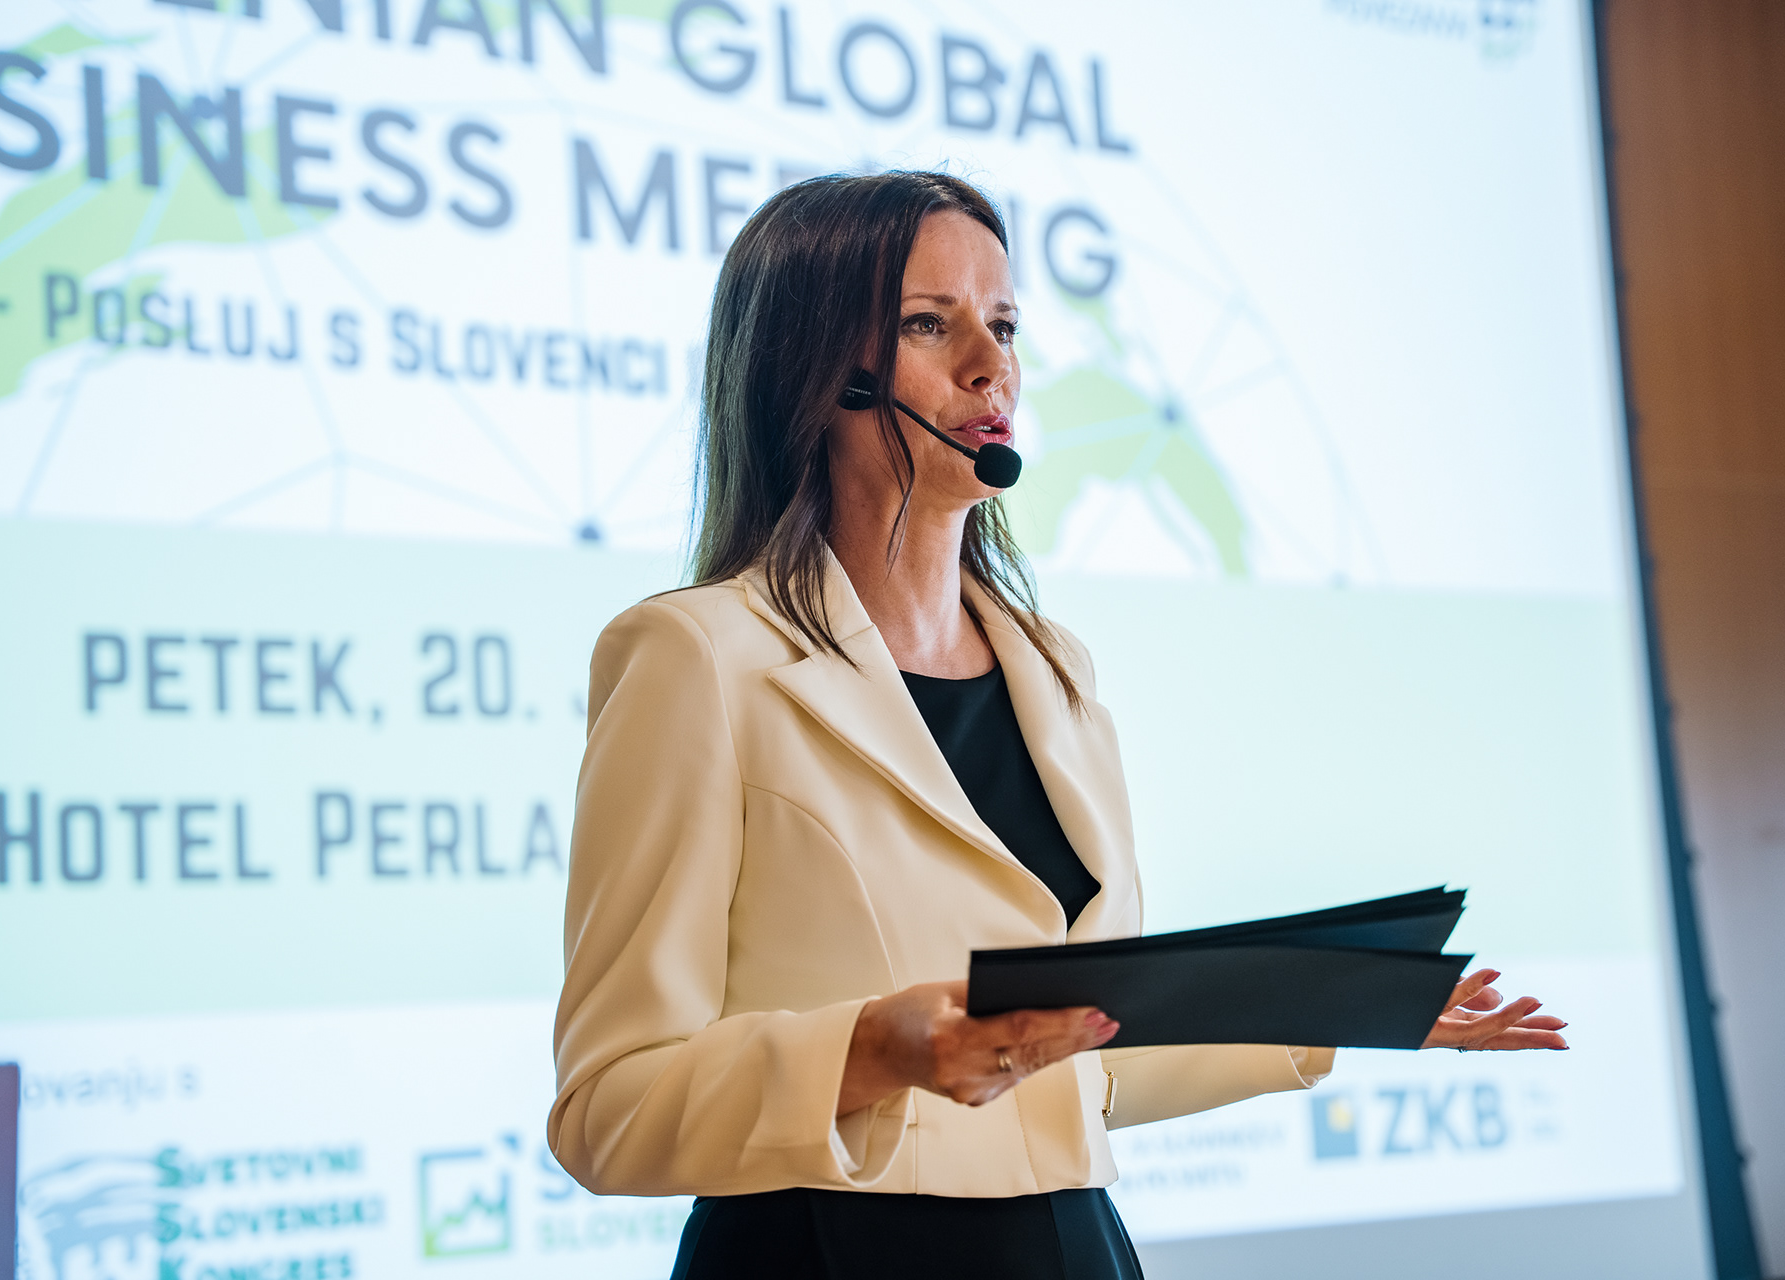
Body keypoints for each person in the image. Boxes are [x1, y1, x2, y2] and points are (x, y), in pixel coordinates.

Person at [548, 171, 1569, 1280]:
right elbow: (610, 1106)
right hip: (825, 1252)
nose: (990, 367)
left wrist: (1340, 1009)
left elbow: (1088, 1061)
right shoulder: (697, 657)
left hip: (1074, 1245)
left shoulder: (1056, 670)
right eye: (929, 324)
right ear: (821, 369)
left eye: (1004, 326)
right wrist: (869, 1051)